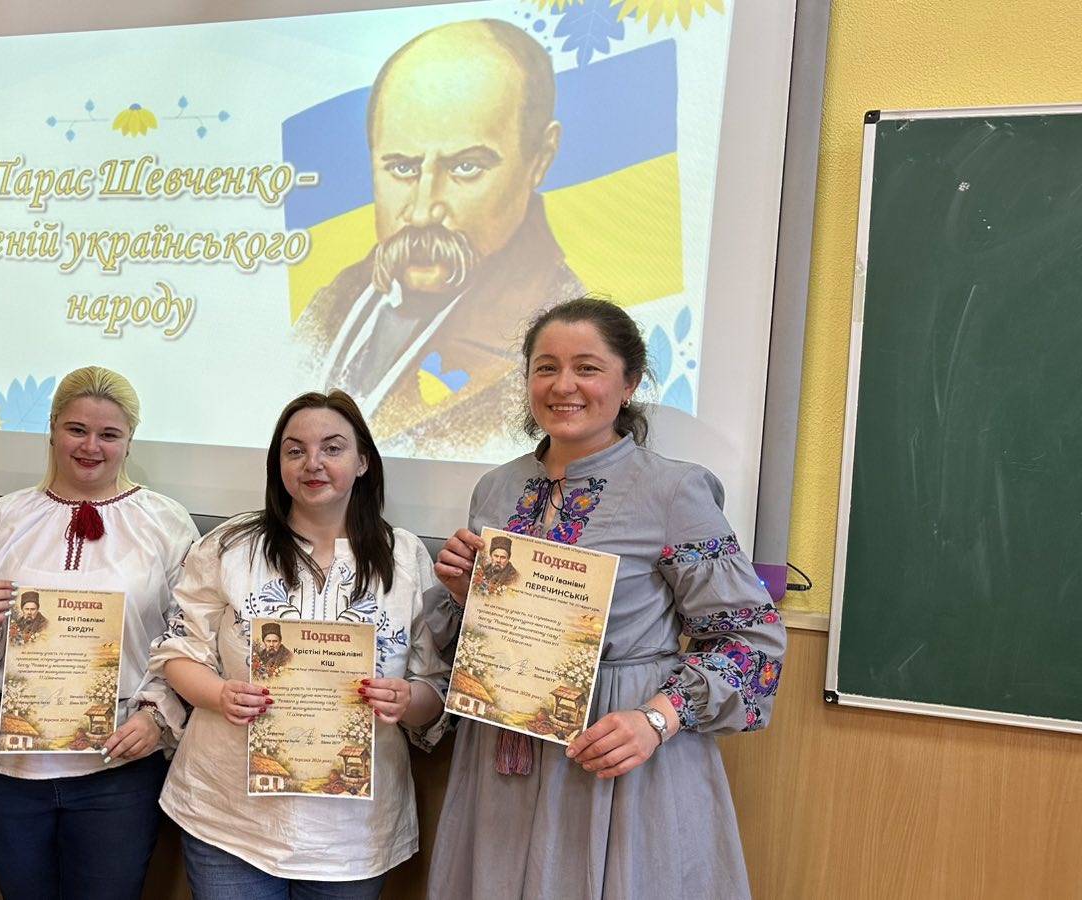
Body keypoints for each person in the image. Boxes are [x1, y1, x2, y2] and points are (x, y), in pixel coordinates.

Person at [424, 297, 787, 899]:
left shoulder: (673, 491)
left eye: (587, 368)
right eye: (546, 368)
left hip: (616, 758)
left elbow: (753, 641)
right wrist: (468, 597)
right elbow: (490, 638)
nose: (563, 385)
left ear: (630, 382)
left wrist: (656, 720)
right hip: (502, 760)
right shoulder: (496, 488)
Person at [151, 390, 451, 897]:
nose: (313, 463)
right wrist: (218, 694)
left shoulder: (405, 556)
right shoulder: (230, 545)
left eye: (332, 448)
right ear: (279, 464)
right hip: (228, 815)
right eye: (295, 451)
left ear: (363, 462)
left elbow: (433, 688)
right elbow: (179, 650)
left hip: (352, 833)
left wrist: (407, 700)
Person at [0, 366, 198, 900]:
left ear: (130, 439)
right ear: (53, 428)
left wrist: (157, 717)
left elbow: (190, 638)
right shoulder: (5, 517)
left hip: (118, 763)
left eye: (109, 434)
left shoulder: (166, 523)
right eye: (77, 429)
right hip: (7, 765)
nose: (91, 446)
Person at [294, 18, 584, 460]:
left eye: (465, 168)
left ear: (541, 158)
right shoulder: (336, 300)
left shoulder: (557, 331)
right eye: (402, 168)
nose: (423, 210)